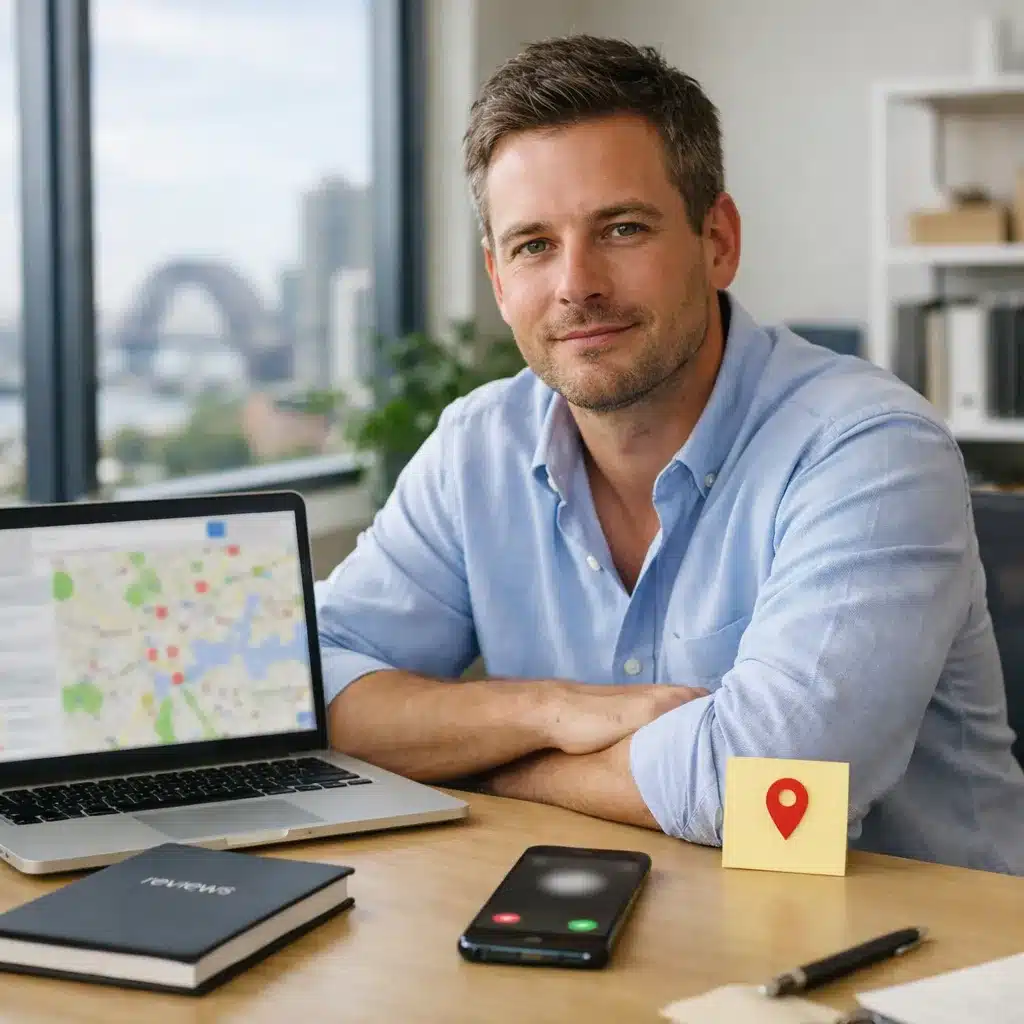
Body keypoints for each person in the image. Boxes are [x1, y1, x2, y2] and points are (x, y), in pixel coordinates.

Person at [315, 34, 1024, 874]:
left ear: (716, 240)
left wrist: (495, 763)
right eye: (533, 244)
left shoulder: (870, 449)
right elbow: (315, 689)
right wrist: (548, 710)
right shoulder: (478, 446)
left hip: (922, 968)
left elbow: (777, 797)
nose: (576, 284)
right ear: (500, 281)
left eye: (621, 228)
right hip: (626, 935)